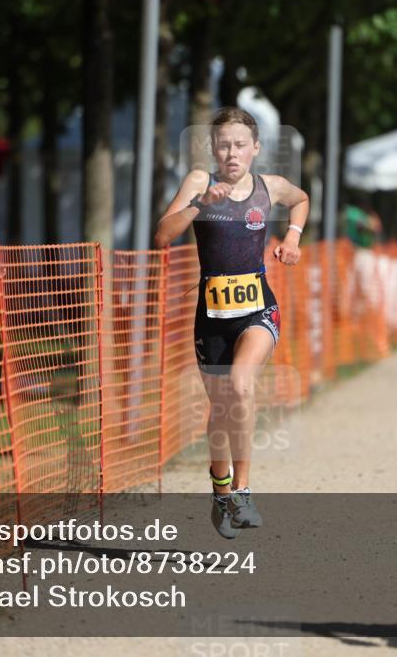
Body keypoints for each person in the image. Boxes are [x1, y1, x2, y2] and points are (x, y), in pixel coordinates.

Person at [155, 107, 309, 539]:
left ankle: (242, 491)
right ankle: (221, 491)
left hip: (259, 308)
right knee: (222, 409)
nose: (231, 153)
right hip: (212, 317)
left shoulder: (269, 187)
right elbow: (163, 236)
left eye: (240, 144)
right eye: (223, 145)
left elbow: (300, 199)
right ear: (213, 149)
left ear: (255, 148)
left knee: (241, 385)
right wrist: (200, 206)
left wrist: (292, 237)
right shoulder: (199, 182)